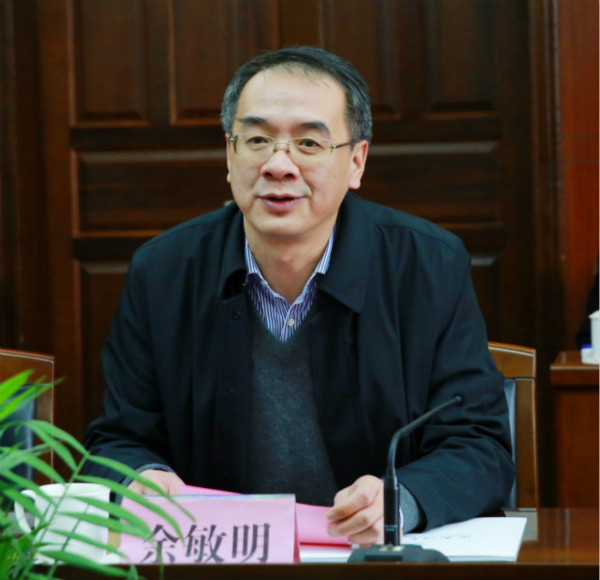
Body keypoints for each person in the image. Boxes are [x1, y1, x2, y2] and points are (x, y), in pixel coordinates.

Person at [83, 46, 514, 546]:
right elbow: (117, 438)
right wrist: (142, 477)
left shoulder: (426, 266)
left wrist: (402, 500)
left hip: (371, 561)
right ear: (230, 155)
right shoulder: (164, 271)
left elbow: (479, 445)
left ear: (356, 162)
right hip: (222, 561)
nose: (278, 165)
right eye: (257, 140)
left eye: (309, 143)